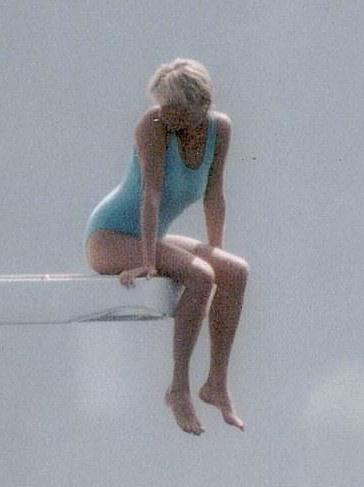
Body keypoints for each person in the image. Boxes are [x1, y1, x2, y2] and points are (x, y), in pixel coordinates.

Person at [84, 58, 249, 435]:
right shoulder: (154, 126)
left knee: (234, 271)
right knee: (200, 276)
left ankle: (216, 383)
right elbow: (151, 199)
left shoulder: (218, 129)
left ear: (198, 105)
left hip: (151, 236)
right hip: (109, 236)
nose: (164, 114)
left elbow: (214, 195)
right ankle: (178, 388)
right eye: (161, 105)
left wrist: (216, 250)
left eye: (172, 107)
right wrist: (146, 262)